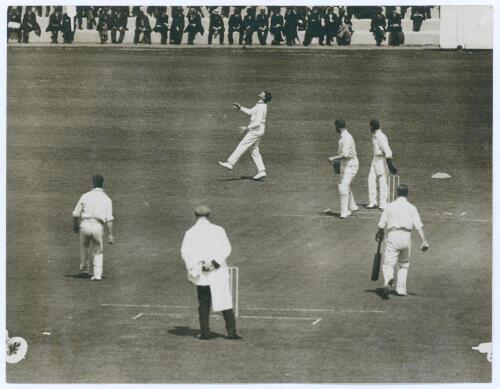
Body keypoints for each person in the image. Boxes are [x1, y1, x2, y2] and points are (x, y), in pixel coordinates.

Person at [181, 205, 241, 340]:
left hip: (202, 274)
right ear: (209, 215)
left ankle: (205, 333)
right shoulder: (218, 230)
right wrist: (214, 264)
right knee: (225, 301)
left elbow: (186, 253)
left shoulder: (190, 232)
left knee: (203, 303)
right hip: (218, 272)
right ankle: (231, 333)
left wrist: (197, 267)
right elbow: (226, 248)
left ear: (195, 215)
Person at [375, 184, 429, 298]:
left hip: (393, 235)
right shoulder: (411, 207)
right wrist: (423, 240)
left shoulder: (389, 206)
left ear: (397, 193)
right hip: (406, 237)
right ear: (407, 194)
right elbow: (418, 226)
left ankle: (388, 281)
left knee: (388, 264)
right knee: (404, 264)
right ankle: (401, 289)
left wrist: (380, 233)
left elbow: (381, 224)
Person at [219, 91, 272, 181]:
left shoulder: (261, 107)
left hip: (255, 130)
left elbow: (258, 122)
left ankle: (230, 163)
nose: (261, 92)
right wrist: (240, 108)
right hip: (258, 130)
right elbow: (251, 112)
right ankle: (262, 171)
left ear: (264, 97)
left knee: (242, 145)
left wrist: (247, 127)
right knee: (254, 150)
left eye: (263, 93)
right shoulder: (260, 104)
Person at [72, 175, 114, 281]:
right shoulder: (107, 199)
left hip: (85, 225)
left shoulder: (85, 196)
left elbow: (76, 214)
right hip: (98, 226)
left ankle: (85, 270)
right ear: (103, 184)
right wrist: (110, 234)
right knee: (98, 250)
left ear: (92, 183)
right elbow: (109, 219)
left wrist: (76, 225)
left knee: (84, 248)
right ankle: (97, 275)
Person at [328, 119, 359, 219]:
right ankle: (353, 206)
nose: (334, 128)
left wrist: (334, 158)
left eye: (335, 126)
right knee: (344, 185)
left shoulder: (346, 138)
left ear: (338, 127)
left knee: (342, 186)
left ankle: (344, 212)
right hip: (345, 164)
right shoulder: (343, 136)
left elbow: (345, 155)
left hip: (351, 165)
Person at [366, 120, 397, 210]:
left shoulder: (381, 137)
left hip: (381, 160)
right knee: (371, 180)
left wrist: (390, 165)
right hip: (375, 159)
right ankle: (373, 202)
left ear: (372, 126)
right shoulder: (374, 135)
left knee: (382, 181)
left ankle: (383, 204)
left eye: (370, 126)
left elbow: (388, 151)